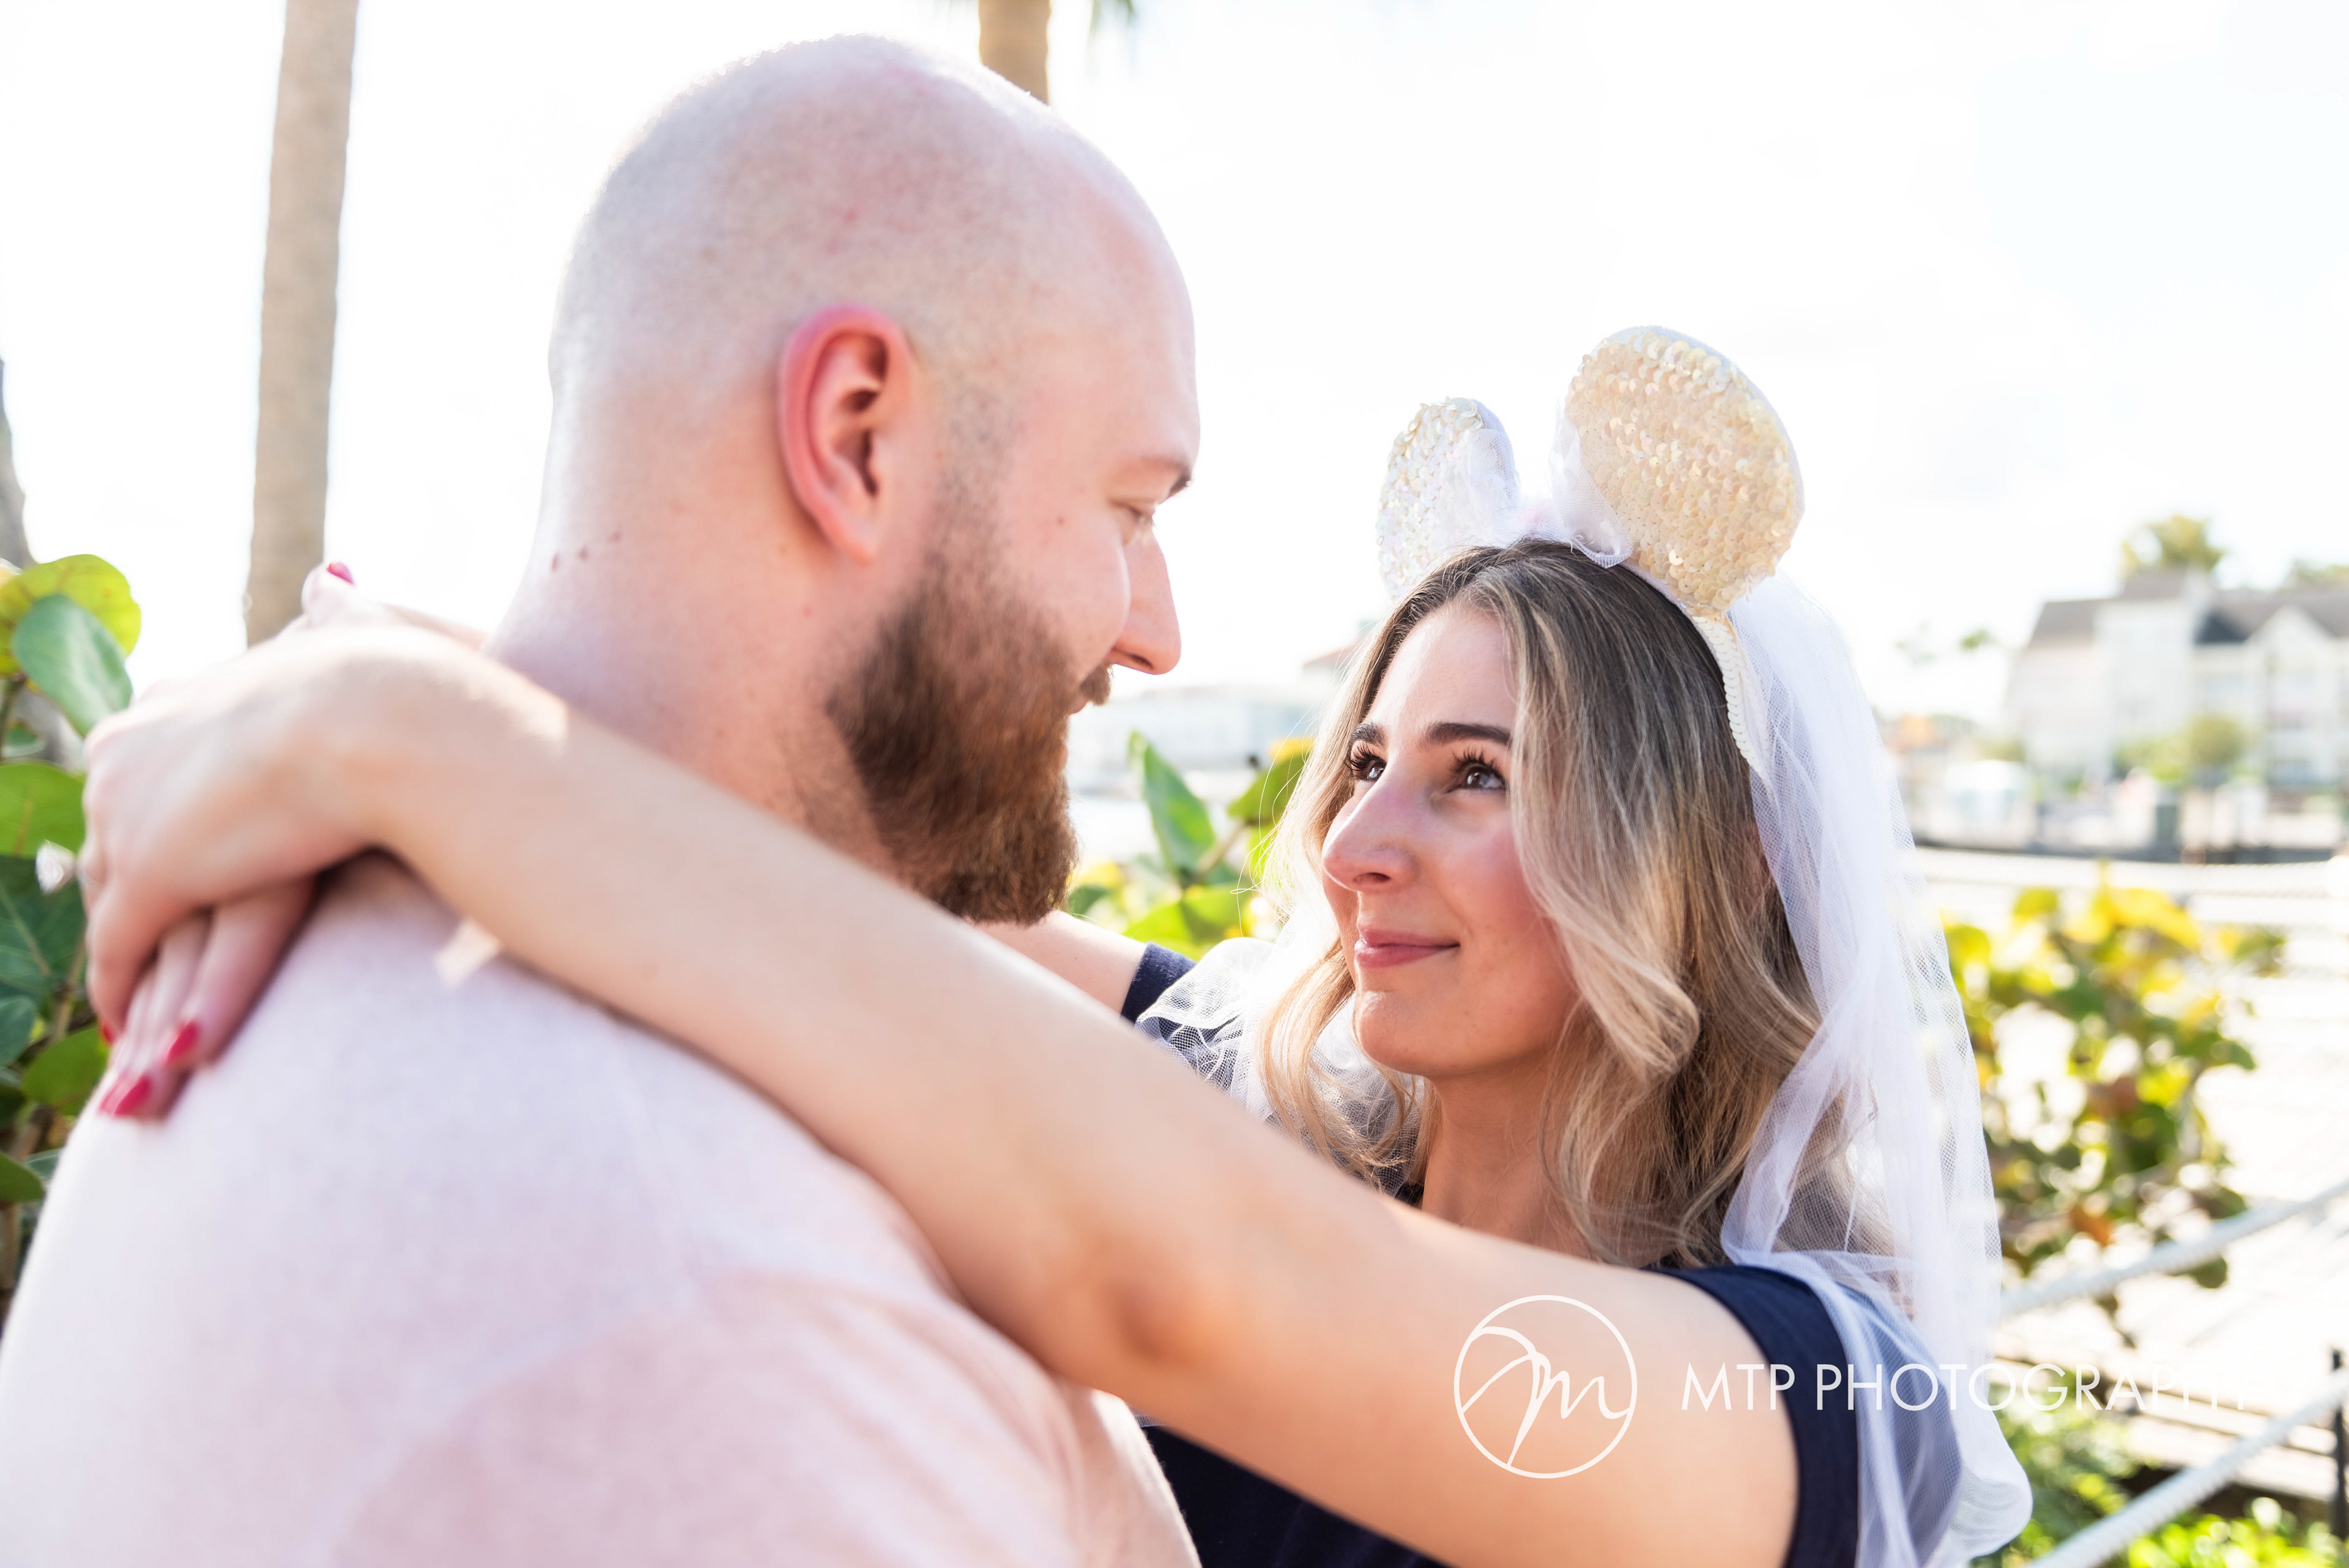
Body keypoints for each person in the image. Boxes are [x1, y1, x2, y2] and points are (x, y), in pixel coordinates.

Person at [64, 337, 2031, 1567]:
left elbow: (1193, 1283)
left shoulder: (1820, 1395)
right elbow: (866, 898)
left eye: (1475, 778)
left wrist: (415, 747)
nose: (1353, 845)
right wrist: (399, 666)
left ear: (1707, 870)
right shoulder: (1273, 1103)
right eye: (1363, 758)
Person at [0, 37, 1208, 1566]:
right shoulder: (718, 1300)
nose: (1157, 631)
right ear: (856, 434)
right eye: (1131, 507)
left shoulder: (354, 955)